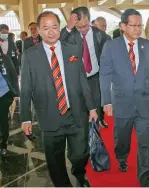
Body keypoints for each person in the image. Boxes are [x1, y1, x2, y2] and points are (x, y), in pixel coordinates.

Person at [20, 11, 97, 187]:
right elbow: (25, 89)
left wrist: (92, 107)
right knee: (54, 160)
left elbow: (82, 80)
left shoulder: (72, 49)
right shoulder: (30, 56)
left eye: (55, 27)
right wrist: (25, 118)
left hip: (76, 112)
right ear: (38, 30)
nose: (51, 32)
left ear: (59, 28)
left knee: (80, 154)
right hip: (49, 116)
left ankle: (79, 173)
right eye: (45, 28)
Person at [100, 9, 149, 187]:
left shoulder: (148, 46)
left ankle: (146, 180)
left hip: (144, 101)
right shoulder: (111, 47)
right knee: (122, 137)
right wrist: (106, 101)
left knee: (145, 142)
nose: (137, 29)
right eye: (133, 25)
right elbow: (105, 75)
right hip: (121, 102)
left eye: (139, 25)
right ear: (123, 26)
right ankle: (121, 156)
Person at [60, 6, 109, 128]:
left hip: (94, 78)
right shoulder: (70, 35)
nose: (83, 29)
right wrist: (68, 28)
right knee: (80, 109)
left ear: (90, 20)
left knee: (96, 107)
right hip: (77, 79)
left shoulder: (100, 35)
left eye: (86, 25)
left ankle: (96, 133)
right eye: (79, 27)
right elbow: (57, 44)